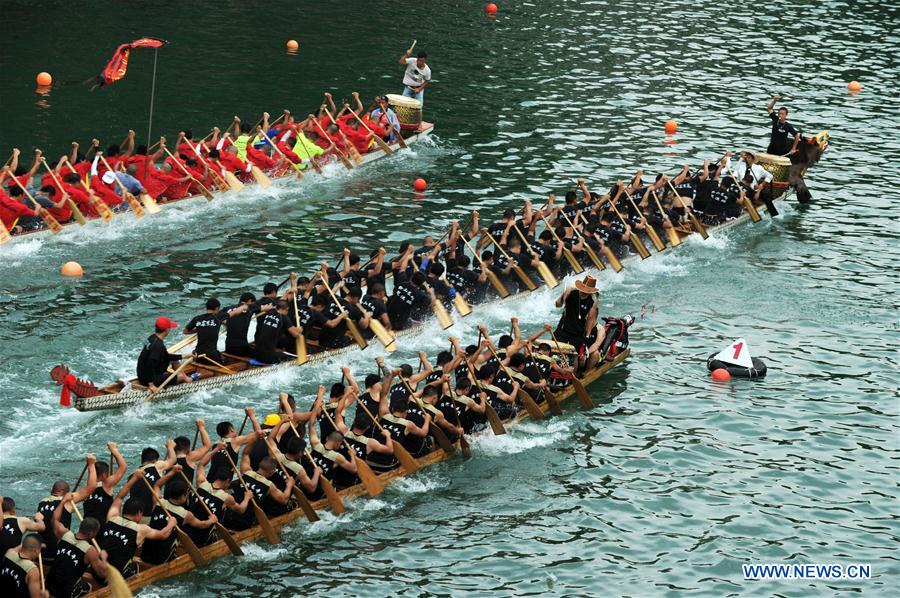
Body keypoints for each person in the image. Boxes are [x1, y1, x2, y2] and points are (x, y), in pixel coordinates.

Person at [98, 471, 176, 579]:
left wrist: (134, 478)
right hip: (114, 576)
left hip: (97, 572)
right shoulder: (141, 529)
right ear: (139, 513)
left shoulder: (112, 518)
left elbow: (119, 498)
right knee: (134, 567)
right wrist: (171, 524)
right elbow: (163, 535)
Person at [35, 455, 97, 562]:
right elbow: (91, 488)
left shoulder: (42, 502)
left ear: (52, 491)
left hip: (41, 554)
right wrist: (91, 464)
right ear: (67, 493)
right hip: (57, 554)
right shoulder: (67, 502)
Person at [47, 493, 108, 598]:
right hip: (63, 593)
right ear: (91, 534)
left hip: (48, 586)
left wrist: (63, 502)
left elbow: (54, 520)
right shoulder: (90, 550)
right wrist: (104, 559)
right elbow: (102, 574)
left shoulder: (64, 533)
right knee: (88, 586)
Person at [183, 299, 249, 366]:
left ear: (206, 307)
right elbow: (235, 312)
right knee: (225, 363)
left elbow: (185, 331)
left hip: (197, 354)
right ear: (217, 308)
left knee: (219, 355)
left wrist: (199, 328)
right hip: (211, 356)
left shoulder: (197, 319)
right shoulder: (218, 317)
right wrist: (244, 306)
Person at [136, 317, 193, 393]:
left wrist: (184, 356)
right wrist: (151, 384)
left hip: (141, 373)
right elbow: (149, 364)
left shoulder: (152, 337)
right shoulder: (158, 346)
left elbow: (166, 356)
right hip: (149, 379)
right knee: (181, 377)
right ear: (167, 330)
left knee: (174, 360)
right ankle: (184, 378)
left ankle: (186, 378)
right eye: (170, 328)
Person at [82, 442, 127, 525]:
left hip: (86, 526)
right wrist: (113, 450)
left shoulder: (85, 488)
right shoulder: (106, 484)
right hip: (102, 527)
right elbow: (123, 467)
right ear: (104, 475)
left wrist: (90, 464)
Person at [554, 275, 599, 349]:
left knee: (574, 356)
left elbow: (590, 319)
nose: (585, 292)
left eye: (588, 290)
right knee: (556, 350)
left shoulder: (593, 301)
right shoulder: (571, 293)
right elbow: (558, 304)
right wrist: (564, 294)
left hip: (578, 332)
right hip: (563, 329)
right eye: (584, 289)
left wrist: (587, 336)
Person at [0, 534, 47, 598]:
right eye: (39, 550)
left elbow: (22, 546)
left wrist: (30, 544)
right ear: (36, 551)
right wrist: (45, 596)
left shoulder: (9, 553)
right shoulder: (32, 570)